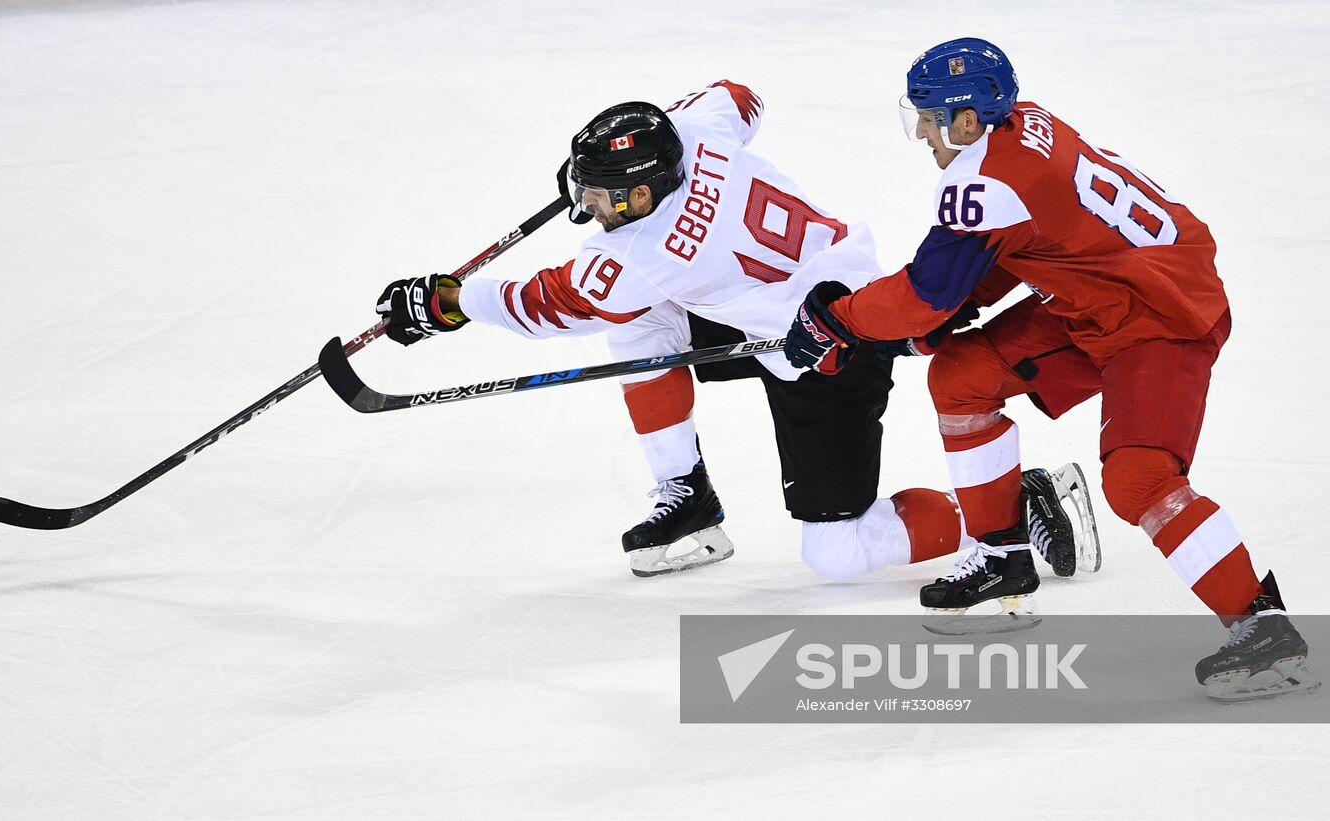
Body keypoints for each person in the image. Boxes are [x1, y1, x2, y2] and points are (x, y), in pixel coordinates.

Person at [375, 80, 1085, 584]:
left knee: (837, 555)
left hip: (831, 346)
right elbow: (740, 94)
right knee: (638, 318)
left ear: (642, 193)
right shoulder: (696, 132)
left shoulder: (640, 255)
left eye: (595, 195)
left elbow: (546, 306)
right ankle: (686, 497)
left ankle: (1007, 505)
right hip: (801, 288)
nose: (585, 205)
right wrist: (671, 124)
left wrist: (451, 299)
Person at [784, 39, 1316, 699]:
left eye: (928, 115)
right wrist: (952, 314)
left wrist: (840, 319)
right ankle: (1003, 554)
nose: (920, 130)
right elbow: (1022, 242)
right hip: (1102, 295)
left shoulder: (986, 183)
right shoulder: (1023, 126)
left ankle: (1264, 631)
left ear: (969, 120)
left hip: (1161, 315)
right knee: (960, 374)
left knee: (1138, 479)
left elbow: (925, 290)